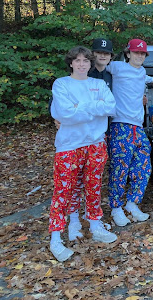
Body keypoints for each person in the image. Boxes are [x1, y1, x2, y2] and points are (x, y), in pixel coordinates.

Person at [49, 46, 117, 262]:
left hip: (96, 143)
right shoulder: (61, 84)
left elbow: (111, 108)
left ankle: (96, 225)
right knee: (64, 190)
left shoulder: (98, 84)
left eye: (85, 61)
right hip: (69, 145)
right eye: (77, 60)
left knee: (93, 186)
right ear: (70, 63)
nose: (81, 64)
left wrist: (81, 107)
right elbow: (65, 114)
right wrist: (94, 108)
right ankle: (57, 237)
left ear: (90, 63)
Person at [107, 38, 153, 227]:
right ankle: (116, 208)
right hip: (120, 125)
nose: (139, 56)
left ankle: (132, 204)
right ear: (128, 53)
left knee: (143, 166)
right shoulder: (116, 67)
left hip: (137, 128)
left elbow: (142, 77)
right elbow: (97, 69)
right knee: (120, 168)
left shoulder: (143, 71)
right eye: (136, 52)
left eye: (142, 53)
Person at [66, 38, 115, 242]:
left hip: (99, 136)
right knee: (74, 182)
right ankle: (74, 221)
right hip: (76, 138)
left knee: (94, 182)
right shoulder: (78, 76)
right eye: (98, 52)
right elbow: (63, 109)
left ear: (112, 57)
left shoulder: (111, 75)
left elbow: (110, 105)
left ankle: (94, 221)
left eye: (106, 53)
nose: (102, 56)